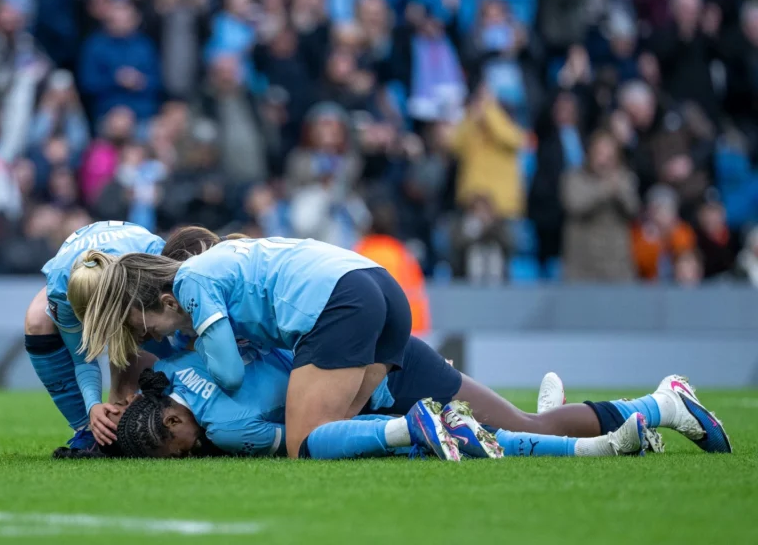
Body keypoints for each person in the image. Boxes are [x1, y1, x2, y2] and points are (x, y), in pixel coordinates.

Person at [150, 227, 731, 456]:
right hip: (380, 329)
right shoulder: (248, 281)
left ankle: (652, 411)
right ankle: (656, 407)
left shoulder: (219, 318)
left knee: (312, 445)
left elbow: (275, 384)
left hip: (371, 363)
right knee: (520, 426)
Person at [79, 235, 423, 460]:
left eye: (143, 327)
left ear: (168, 302)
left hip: (340, 300)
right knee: (339, 430)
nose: (152, 338)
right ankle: (436, 428)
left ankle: (417, 426)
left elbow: (229, 375)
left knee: (304, 443)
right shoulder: (209, 265)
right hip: (378, 282)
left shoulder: (190, 282)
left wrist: (201, 350)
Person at [63, 340, 651, 460]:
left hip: (386, 381)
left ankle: (654, 406)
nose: (190, 454)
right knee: (501, 427)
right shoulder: (173, 368)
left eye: (177, 448)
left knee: (519, 429)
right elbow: (127, 350)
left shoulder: (229, 428)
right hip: (364, 352)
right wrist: (115, 399)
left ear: (171, 418)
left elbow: (311, 437)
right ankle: (575, 418)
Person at [23, 220, 168, 449]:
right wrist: (93, 406)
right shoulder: (61, 289)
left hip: (138, 272)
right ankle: (87, 430)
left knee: (146, 335)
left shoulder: (153, 260)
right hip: (79, 271)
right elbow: (83, 360)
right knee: (37, 320)